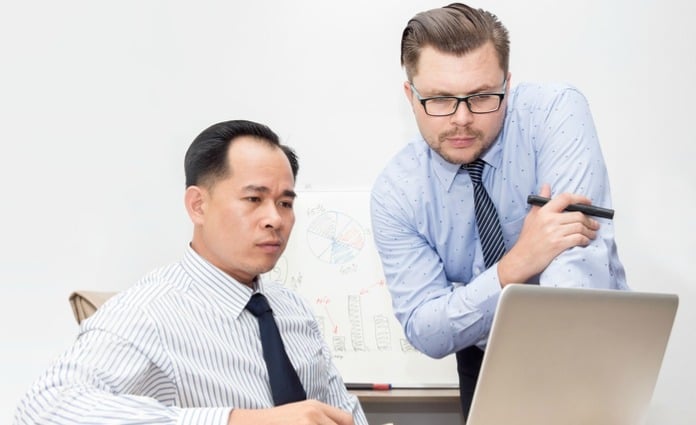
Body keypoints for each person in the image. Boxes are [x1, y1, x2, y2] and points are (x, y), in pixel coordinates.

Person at [14, 120, 367, 425]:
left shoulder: (292, 309)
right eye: (253, 199)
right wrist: (238, 420)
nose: (275, 218)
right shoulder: (149, 311)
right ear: (198, 205)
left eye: (285, 203)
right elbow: (43, 409)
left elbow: (341, 411)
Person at [370, 2, 628, 417]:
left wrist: (464, 300)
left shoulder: (554, 112)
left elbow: (575, 275)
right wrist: (517, 264)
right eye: (438, 100)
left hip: (585, 346)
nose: (462, 119)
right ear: (409, 94)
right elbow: (426, 329)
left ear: (507, 83)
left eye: (482, 96)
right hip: (484, 362)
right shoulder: (396, 191)